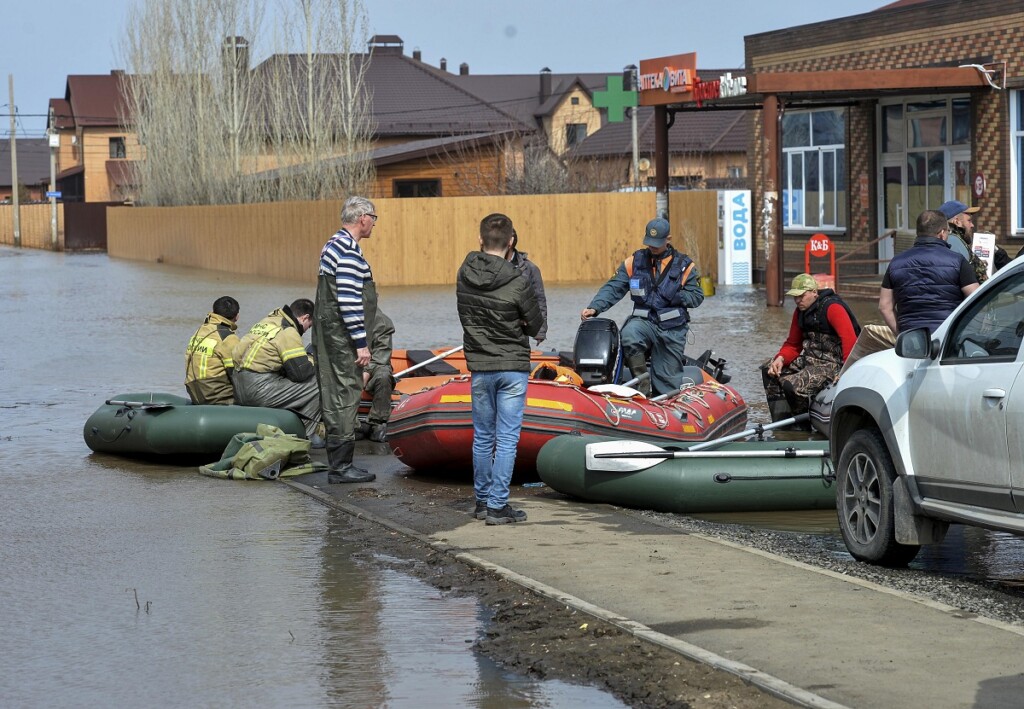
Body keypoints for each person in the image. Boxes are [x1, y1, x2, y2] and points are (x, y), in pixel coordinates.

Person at [457, 213, 543, 525]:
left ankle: (481, 502)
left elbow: (466, 315)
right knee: (506, 438)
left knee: (482, 436)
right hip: (512, 367)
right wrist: (518, 322)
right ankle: (497, 506)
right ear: (510, 243)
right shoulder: (518, 279)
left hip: (480, 365)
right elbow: (536, 324)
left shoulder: (463, 275)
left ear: (480, 240)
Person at [580, 217, 704, 397]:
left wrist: (677, 295)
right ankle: (642, 382)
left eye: (657, 243)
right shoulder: (634, 262)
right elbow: (614, 287)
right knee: (629, 334)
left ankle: (664, 402)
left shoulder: (685, 266)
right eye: (650, 243)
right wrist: (594, 307)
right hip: (644, 322)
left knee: (667, 380)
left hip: (672, 329)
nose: (652, 247)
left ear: (668, 239)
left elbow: (697, 297)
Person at [313, 195, 379, 484]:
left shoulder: (332, 244)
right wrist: (361, 344)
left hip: (328, 334)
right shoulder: (350, 251)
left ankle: (340, 463)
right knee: (346, 394)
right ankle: (341, 467)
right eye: (374, 218)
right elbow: (350, 301)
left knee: (334, 393)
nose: (375, 224)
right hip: (342, 337)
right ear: (363, 218)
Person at [762, 274, 860, 422]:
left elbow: (850, 341)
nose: (797, 300)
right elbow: (793, 344)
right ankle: (782, 422)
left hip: (832, 364)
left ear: (814, 292)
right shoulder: (799, 312)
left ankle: (802, 425)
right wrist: (780, 358)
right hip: (809, 360)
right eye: (795, 297)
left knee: (791, 385)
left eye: (801, 296)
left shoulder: (833, 308)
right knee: (768, 369)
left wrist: (846, 371)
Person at [232, 299, 322, 445]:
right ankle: (307, 434)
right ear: (304, 317)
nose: (306, 330)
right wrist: (315, 363)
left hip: (238, 386)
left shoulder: (267, 321)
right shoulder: (288, 331)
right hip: (259, 388)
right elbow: (300, 374)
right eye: (309, 325)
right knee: (320, 383)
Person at [879, 209, 980, 336]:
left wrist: (903, 336)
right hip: (947, 339)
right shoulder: (958, 261)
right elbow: (977, 298)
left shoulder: (896, 263)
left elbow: (884, 306)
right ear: (942, 233)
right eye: (948, 231)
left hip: (912, 341)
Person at [184, 296, 241, 405]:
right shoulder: (228, 337)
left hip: (195, 394)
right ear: (237, 316)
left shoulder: (199, 331)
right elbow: (237, 375)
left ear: (214, 312)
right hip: (217, 398)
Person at [506, 229, 548, 345]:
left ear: (510, 242)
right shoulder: (489, 266)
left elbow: (539, 300)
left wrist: (540, 331)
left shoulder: (530, 269)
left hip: (519, 331)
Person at [360, 309, 396, 443]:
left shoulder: (382, 322)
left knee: (384, 375)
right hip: (350, 364)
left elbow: (381, 356)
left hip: (374, 365)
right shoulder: (343, 317)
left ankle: (378, 422)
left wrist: (366, 373)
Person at [938, 200, 990, 284]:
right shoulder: (953, 242)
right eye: (969, 221)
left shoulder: (952, 240)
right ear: (956, 221)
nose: (972, 225)